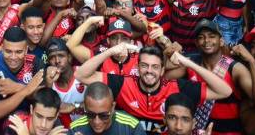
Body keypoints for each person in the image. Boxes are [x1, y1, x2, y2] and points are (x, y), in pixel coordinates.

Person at [75, 44, 233, 134]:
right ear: (138, 67)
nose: (149, 71)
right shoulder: (123, 83)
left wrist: (188, 63)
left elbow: (224, 91)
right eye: (144, 66)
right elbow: (81, 75)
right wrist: (110, 51)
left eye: (155, 67)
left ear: (163, 70)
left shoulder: (177, 87)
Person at [69, 81, 145, 135]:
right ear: (85, 108)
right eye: (91, 114)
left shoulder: (131, 127)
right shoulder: (75, 129)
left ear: (113, 108)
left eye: (103, 115)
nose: (97, 122)